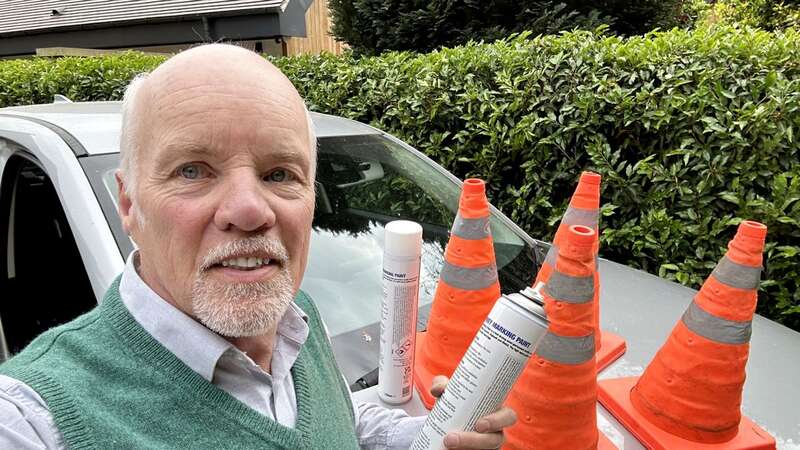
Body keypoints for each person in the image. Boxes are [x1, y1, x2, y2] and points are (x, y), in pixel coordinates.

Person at [0, 44, 516, 449]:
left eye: (278, 173)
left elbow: (338, 415)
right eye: (193, 171)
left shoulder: (298, 317)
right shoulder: (33, 416)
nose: (250, 210)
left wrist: (424, 438)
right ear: (129, 204)